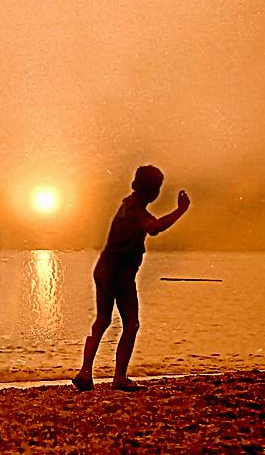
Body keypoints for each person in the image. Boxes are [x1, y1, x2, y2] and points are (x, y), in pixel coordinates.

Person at [72, 166, 190, 392]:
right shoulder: (136, 211)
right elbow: (154, 228)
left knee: (102, 321)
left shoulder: (127, 204)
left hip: (103, 268)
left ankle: (85, 372)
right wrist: (180, 210)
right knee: (131, 323)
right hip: (119, 273)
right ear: (153, 191)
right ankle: (119, 377)